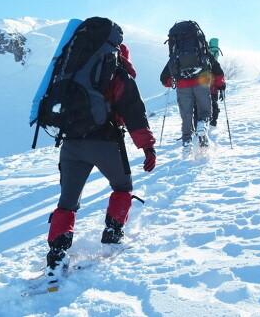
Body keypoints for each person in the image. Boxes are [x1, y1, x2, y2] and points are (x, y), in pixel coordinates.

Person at [45, 42, 156, 280]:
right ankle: (112, 237)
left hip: (71, 144)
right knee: (122, 186)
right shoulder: (117, 73)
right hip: (105, 142)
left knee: (67, 202)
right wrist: (147, 147)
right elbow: (134, 112)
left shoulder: (72, 69)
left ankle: (56, 257)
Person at [160, 53, 225, 148]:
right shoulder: (202, 49)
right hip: (201, 83)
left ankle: (186, 139)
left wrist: (174, 82)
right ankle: (202, 125)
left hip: (182, 86)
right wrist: (220, 84)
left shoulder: (177, 51)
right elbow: (217, 69)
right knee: (205, 111)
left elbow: (164, 78)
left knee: (186, 115)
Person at [209, 57, 226, 127]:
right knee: (214, 105)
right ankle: (213, 121)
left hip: (199, 89)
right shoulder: (212, 60)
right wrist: (222, 87)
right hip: (213, 89)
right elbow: (219, 74)